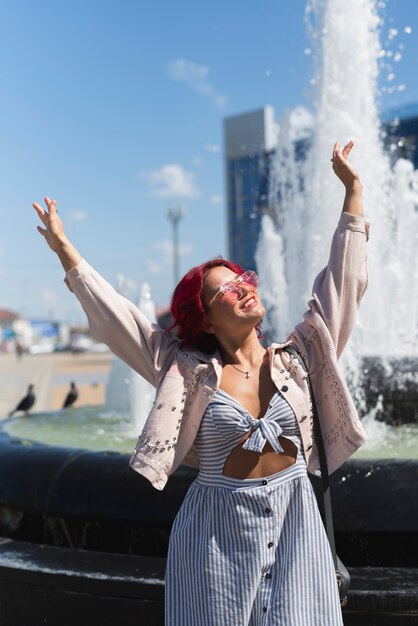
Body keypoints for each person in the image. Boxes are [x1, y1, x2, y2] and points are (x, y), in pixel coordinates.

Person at [33, 140, 369, 625]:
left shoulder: (300, 356)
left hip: (298, 527)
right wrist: (67, 251)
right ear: (206, 319)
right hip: (215, 539)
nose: (245, 287)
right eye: (228, 289)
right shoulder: (186, 370)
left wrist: (353, 193)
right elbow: (120, 321)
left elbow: (342, 285)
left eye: (244, 278)